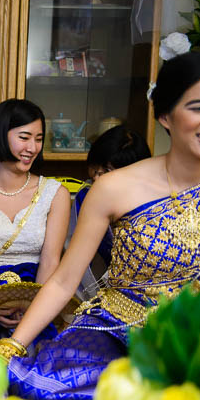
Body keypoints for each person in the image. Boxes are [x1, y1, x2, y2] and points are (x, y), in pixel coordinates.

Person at [0, 51, 200, 400]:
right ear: (165, 116)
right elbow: (65, 281)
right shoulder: (113, 188)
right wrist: (8, 350)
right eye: (199, 107)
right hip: (118, 330)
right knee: (56, 393)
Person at [0, 99, 70, 347]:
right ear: (0, 135)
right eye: (24, 137)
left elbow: (51, 260)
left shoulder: (55, 194)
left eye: (38, 138)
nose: (32, 147)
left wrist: (32, 306)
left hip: (35, 294)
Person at [69, 126, 152, 300]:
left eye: (107, 171)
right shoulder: (86, 197)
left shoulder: (152, 204)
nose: (97, 178)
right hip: (91, 298)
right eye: (95, 169)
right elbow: (74, 264)